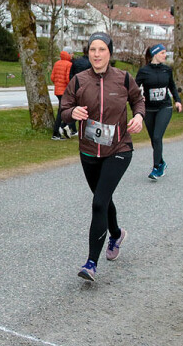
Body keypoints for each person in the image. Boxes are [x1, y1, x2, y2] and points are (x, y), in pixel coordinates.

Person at [60, 32, 145, 282]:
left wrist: (139, 116)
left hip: (118, 149)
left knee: (98, 203)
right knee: (103, 200)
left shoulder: (124, 78)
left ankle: (90, 264)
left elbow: (138, 101)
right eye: (92, 50)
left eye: (102, 50)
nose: (96, 54)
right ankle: (116, 234)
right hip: (88, 151)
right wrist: (72, 112)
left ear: (110, 53)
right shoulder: (78, 80)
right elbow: (64, 109)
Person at [134, 43, 183, 180]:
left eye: (165, 53)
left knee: (157, 137)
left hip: (164, 107)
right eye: (162, 53)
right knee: (153, 139)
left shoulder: (167, 70)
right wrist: (139, 96)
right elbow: (134, 88)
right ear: (155, 54)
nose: (165, 55)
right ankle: (161, 162)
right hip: (149, 108)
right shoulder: (144, 71)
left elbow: (172, 86)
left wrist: (177, 100)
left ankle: (156, 168)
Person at [51, 47, 76, 139]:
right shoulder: (69, 64)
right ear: (69, 54)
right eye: (72, 53)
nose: (73, 55)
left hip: (58, 90)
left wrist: (57, 84)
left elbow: (52, 77)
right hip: (65, 91)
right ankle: (56, 132)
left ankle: (62, 128)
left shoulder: (57, 63)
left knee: (62, 110)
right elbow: (68, 79)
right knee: (61, 112)